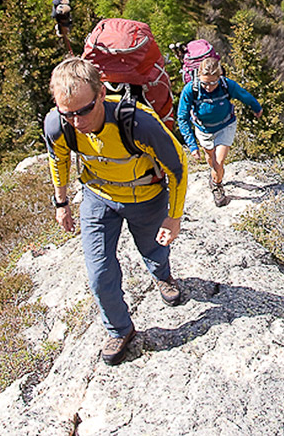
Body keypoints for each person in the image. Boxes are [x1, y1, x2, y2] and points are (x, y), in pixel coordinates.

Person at [44, 57, 189, 365]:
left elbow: (177, 166)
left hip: (146, 198)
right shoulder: (58, 124)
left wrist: (173, 217)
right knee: (99, 273)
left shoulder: (138, 122)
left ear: (100, 94)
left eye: (84, 110)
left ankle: (162, 276)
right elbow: (58, 159)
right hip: (98, 198)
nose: (77, 122)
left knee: (154, 248)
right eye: (68, 113)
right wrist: (61, 201)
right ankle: (120, 329)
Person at [175, 56, 262, 207]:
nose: (209, 87)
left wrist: (256, 107)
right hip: (203, 129)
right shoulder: (191, 89)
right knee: (211, 160)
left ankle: (217, 186)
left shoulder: (226, 85)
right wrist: (192, 146)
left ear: (219, 76)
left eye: (213, 82)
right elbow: (182, 117)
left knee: (218, 162)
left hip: (225, 126)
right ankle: (214, 176)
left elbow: (243, 95)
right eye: (205, 83)